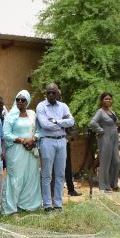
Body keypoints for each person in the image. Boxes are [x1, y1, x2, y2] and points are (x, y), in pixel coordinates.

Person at [2, 90, 42, 213]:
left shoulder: (32, 114)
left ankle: (28, 205)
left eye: (23, 99)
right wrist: (22, 140)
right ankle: (11, 209)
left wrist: (33, 139)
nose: (20, 101)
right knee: (16, 177)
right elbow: (6, 134)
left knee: (30, 177)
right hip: (16, 151)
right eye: (18, 99)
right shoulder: (10, 116)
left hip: (30, 150)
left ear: (27, 101)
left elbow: (39, 131)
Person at [36, 83, 74, 211]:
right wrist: (63, 123)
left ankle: (58, 204)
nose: (51, 95)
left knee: (60, 174)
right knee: (47, 175)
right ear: (46, 93)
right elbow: (44, 124)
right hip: (47, 141)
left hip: (62, 141)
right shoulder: (41, 106)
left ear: (57, 93)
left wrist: (56, 121)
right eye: (49, 92)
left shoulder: (63, 106)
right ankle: (47, 205)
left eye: (53, 92)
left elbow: (71, 121)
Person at [89, 92, 120, 192]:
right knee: (105, 162)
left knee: (116, 161)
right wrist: (100, 130)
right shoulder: (100, 112)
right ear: (102, 101)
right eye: (106, 99)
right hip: (105, 138)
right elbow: (92, 122)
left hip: (114, 138)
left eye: (110, 99)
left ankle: (113, 183)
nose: (108, 100)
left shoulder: (112, 111)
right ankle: (104, 186)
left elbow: (115, 123)